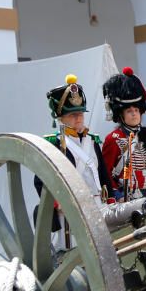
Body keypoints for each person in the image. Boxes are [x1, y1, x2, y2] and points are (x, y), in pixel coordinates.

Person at [44, 74, 113, 205]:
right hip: (74, 208)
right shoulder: (54, 143)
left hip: (99, 204)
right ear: (61, 118)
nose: (79, 118)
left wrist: (110, 199)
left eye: (81, 113)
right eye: (73, 115)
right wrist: (58, 203)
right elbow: (41, 180)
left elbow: (103, 174)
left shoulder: (92, 141)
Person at [101, 67, 146, 202]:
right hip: (126, 199)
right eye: (129, 110)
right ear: (121, 114)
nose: (134, 113)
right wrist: (117, 197)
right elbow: (105, 173)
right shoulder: (113, 139)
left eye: (136, 109)